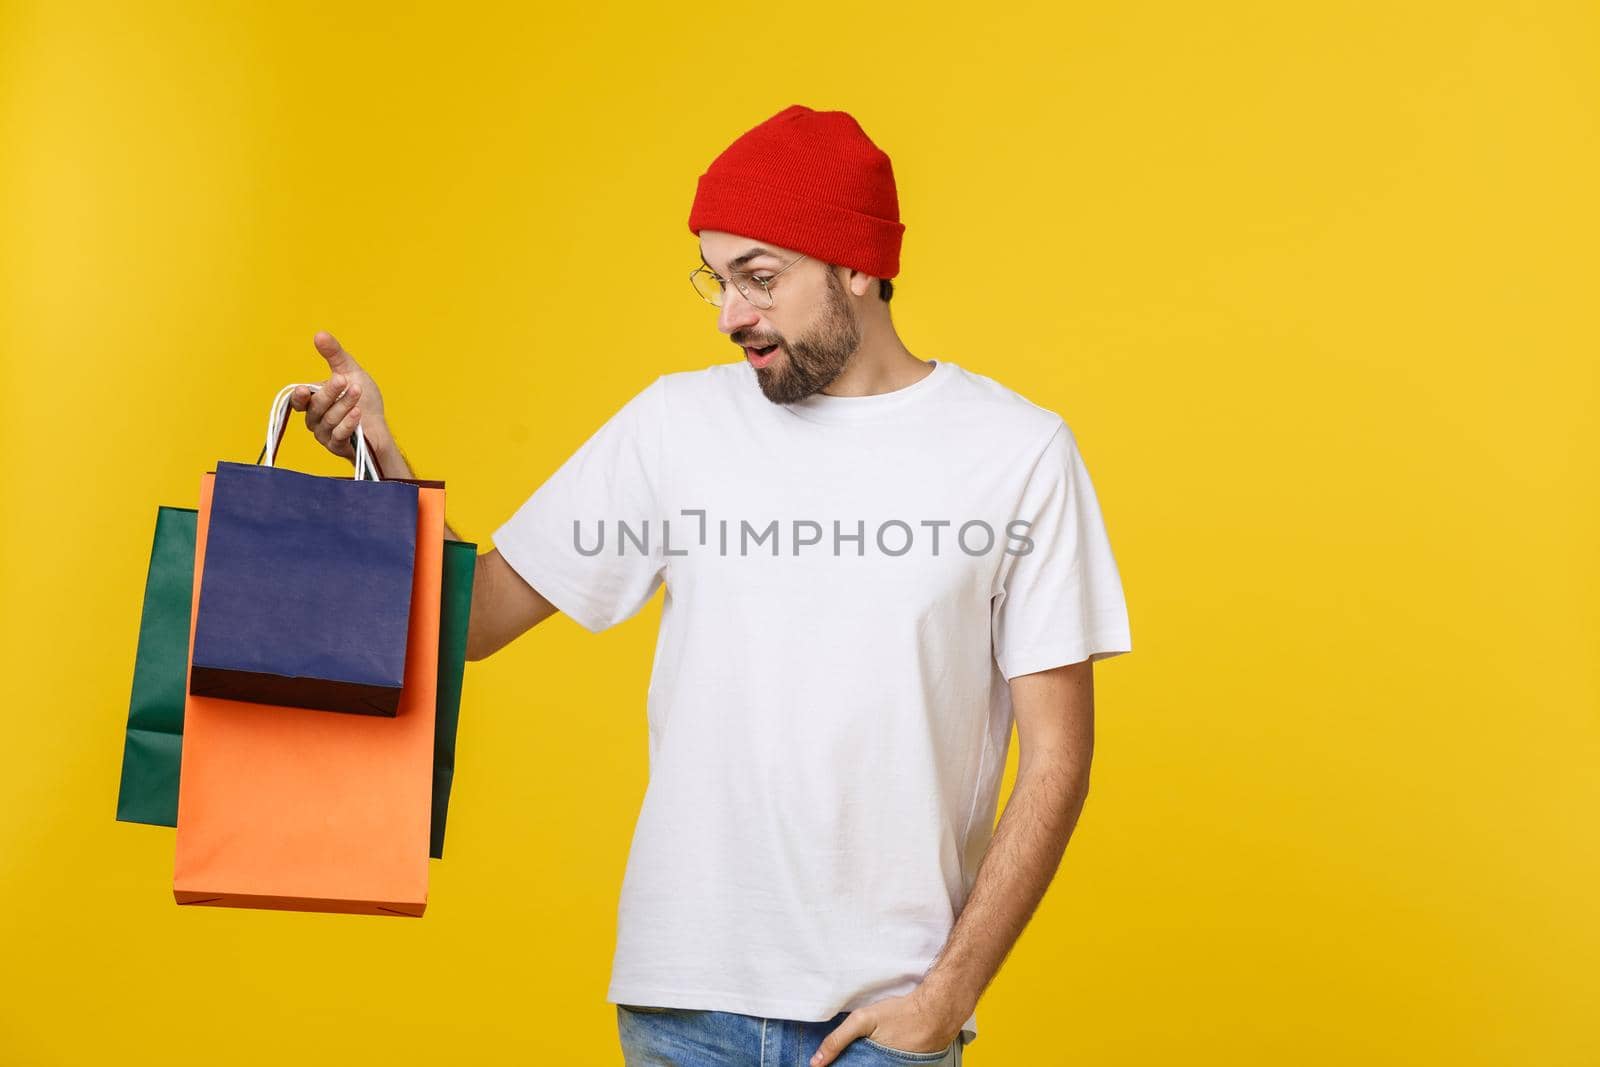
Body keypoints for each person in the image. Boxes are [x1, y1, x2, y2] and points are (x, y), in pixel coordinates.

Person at [290, 104, 1133, 1067]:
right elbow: (471, 620)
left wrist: (947, 996)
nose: (733, 313)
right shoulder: (676, 426)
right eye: (718, 279)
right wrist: (381, 465)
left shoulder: (1016, 452)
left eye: (761, 278)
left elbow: (1059, 753)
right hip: (681, 1007)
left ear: (857, 266)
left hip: (884, 1021)